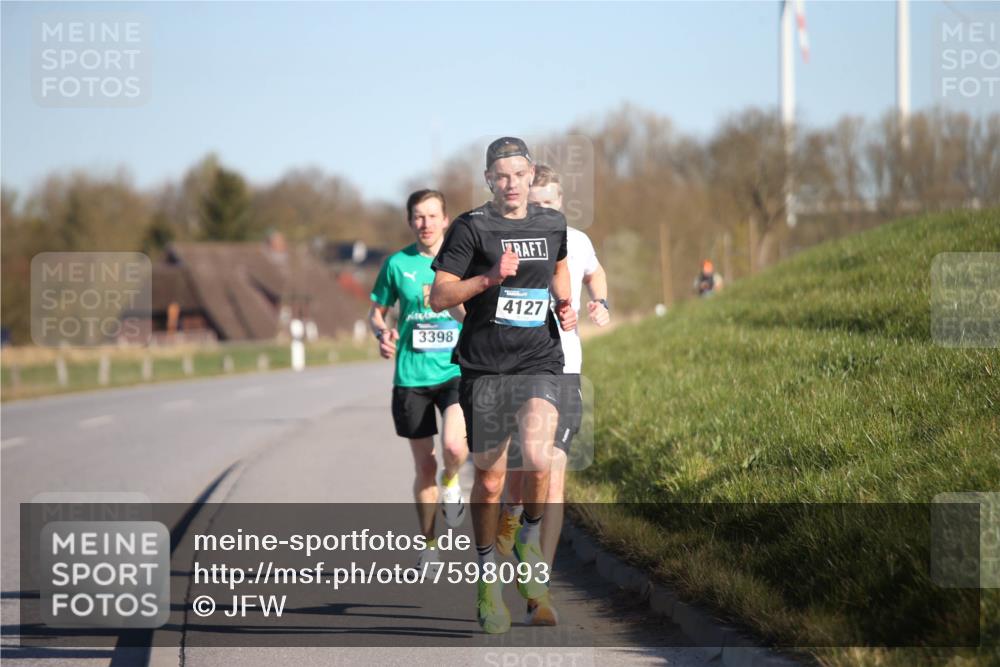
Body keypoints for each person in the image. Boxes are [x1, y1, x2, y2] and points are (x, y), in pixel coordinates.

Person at [429, 138, 576, 634]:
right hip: (484, 367)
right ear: (489, 179)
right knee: (490, 481)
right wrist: (488, 279)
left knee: (538, 457)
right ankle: (488, 578)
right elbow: (438, 295)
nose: (511, 184)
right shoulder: (472, 227)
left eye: (519, 174)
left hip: (538, 358)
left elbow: (557, 264)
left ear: (532, 174)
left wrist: (565, 302)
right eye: (501, 176)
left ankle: (528, 537)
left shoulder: (551, 223)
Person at [496, 164, 611, 625]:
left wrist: (600, 302)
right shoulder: (507, 241)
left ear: (562, 201)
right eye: (536, 202)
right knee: (523, 467)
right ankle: (509, 512)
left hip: (564, 370)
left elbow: (596, 275)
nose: (543, 209)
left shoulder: (577, 241)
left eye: (551, 202)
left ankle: (538, 589)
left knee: (555, 469)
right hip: (516, 368)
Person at [369, 189, 468, 571]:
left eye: (432, 216)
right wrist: (382, 333)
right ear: (410, 222)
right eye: (418, 217)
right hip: (411, 376)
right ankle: (429, 543)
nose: (425, 224)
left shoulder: (462, 261)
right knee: (424, 466)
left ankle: (454, 482)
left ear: (446, 220)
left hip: (456, 370)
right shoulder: (397, 264)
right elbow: (377, 312)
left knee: (454, 449)